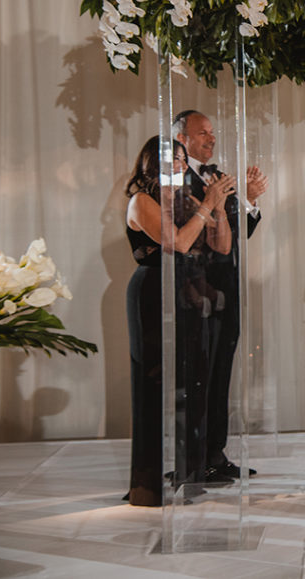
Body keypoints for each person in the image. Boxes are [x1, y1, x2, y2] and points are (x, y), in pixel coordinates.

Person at [124, 135, 235, 506]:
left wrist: (218, 207)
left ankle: (191, 475)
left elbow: (221, 246)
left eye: (183, 159)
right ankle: (147, 484)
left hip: (188, 290)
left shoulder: (185, 200)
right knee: (153, 382)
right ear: (151, 162)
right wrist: (207, 205)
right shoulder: (142, 201)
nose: (180, 165)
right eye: (173, 158)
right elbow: (178, 243)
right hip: (152, 292)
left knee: (194, 381)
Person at [173, 110, 268, 483]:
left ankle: (215, 453)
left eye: (212, 132)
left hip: (225, 291)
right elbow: (185, 235)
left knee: (220, 374)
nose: (211, 139)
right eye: (203, 133)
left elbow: (234, 236)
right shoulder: (173, 179)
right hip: (194, 291)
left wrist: (249, 201)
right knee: (196, 379)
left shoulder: (215, 176)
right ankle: (193, 459)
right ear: (181, 139)